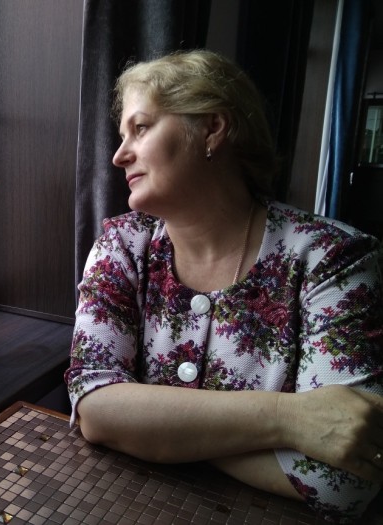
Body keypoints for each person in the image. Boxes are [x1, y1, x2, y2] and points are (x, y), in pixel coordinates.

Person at [65, 49, 383, 522]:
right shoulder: (122, 246)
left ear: (212, 128)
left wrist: (155, 431)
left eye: (141, 127)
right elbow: (94, 406)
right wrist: (289, 420)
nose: (118, 155)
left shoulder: (334, 259)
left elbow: (342, 479)